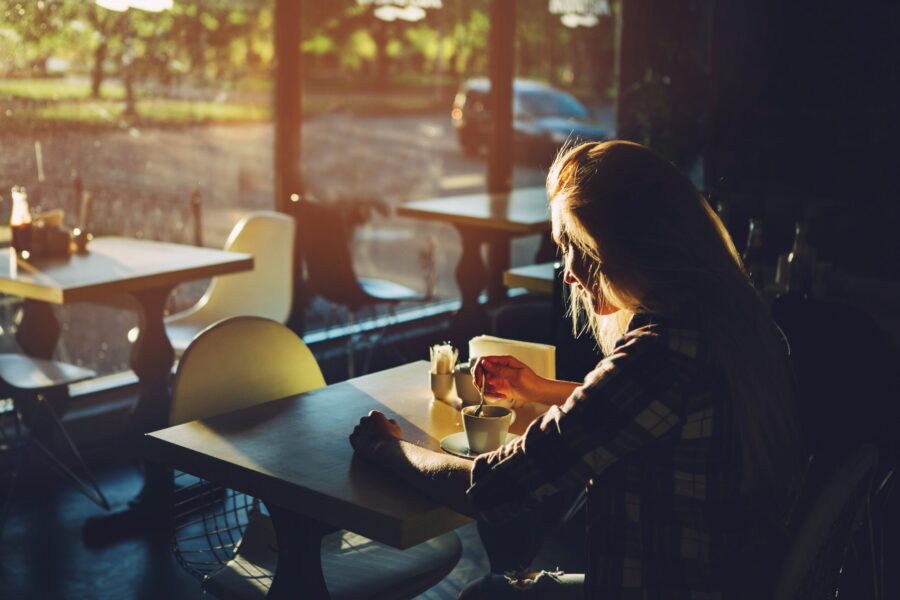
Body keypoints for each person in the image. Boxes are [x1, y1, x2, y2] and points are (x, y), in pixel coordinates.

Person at [350, 140, 805, 599]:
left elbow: (491, 488)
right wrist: (540, 388)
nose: (568, 272)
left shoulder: (659, 356)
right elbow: (656, 415)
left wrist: (387, 448)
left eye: (576, 247)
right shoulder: (723, 326)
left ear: (628, 248)